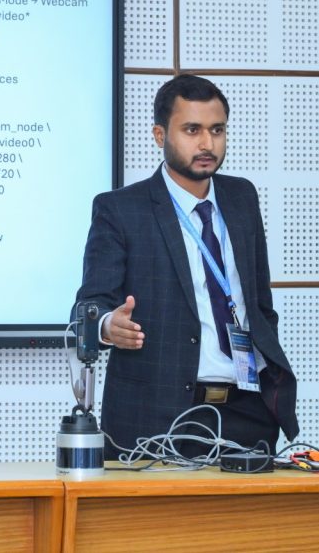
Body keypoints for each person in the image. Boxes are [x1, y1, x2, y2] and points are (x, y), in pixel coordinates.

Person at [73, 74, 298, 458]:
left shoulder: (242, 198)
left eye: (217, 130)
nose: (207, 143)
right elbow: (87, 309)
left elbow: (260, 303)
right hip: (157, 414)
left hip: (247, 410)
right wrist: (109, 325)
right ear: (160, 135)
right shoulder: (121, 209)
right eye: (192, 130)